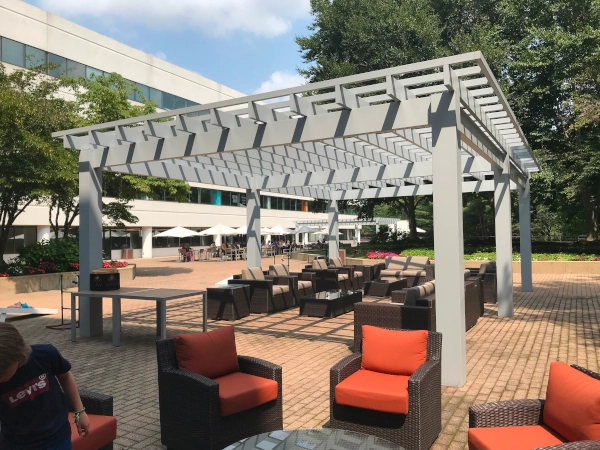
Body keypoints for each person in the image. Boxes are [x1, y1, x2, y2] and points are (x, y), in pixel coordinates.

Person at [0, 323, 89, 450]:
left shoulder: (45, 355)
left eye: (1, 372)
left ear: (17, 356)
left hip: (57, 438)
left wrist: (80, 411)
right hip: (16, 443)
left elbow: (66, 377)